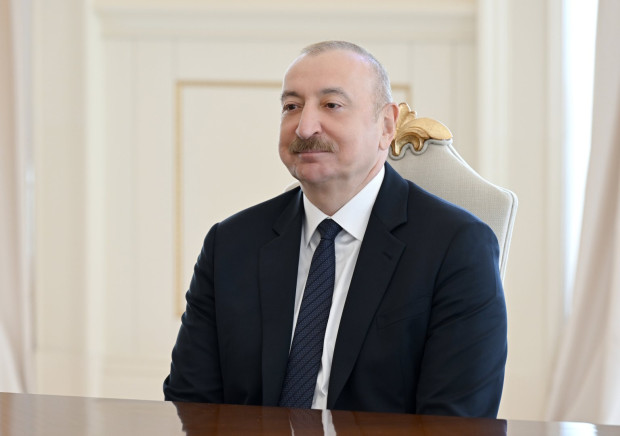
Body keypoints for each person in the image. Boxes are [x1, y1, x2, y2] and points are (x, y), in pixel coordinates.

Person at [163, 40, 507, 418]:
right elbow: (189, 405)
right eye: (292, 106)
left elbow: (455, 422)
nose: (305, 126)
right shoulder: (230, 244)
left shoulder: (457, 247)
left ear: (386, 125)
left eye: (331, 105)